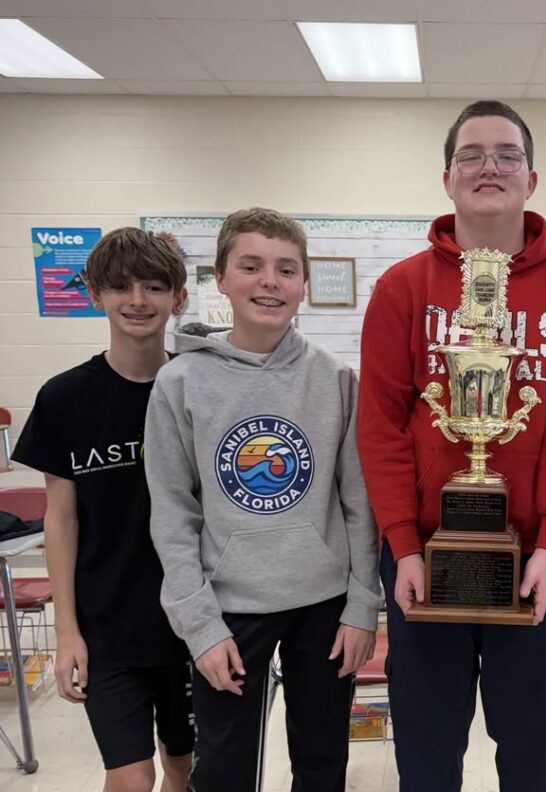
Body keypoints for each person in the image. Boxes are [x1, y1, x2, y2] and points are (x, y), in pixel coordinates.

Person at [357, 100, 546, 791]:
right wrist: (403, 543)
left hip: (535, 557)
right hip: (423, 555)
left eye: (507, 154)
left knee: (531, 748)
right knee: (427, 743)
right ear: (447, 178)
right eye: (472, 154)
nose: (489, 166)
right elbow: (379, 425)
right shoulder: (402, 287)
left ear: (532, 178)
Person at [144, 207, 382, 792]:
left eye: (286, 269)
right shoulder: (179, 383)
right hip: (228, 610)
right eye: (250, 266)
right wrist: (200, 627)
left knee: (323, 762)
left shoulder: (335, 380)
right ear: (220, 278)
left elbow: (359, 504)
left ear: (304, 284)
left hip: (323, 605)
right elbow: (173, 517)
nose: (269, 282)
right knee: (223, 770)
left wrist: (361, 608)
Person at [13, 227, 193, 791]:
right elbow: (60, 519)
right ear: (94, 294)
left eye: (153, 286)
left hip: (194, 623)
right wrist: (68, 632)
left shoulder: (199, 387)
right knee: (131, 778)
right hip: (108, 625)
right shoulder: (65, 397)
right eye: (120, 286)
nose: (137, 300)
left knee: (182, 772)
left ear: (178, 298)